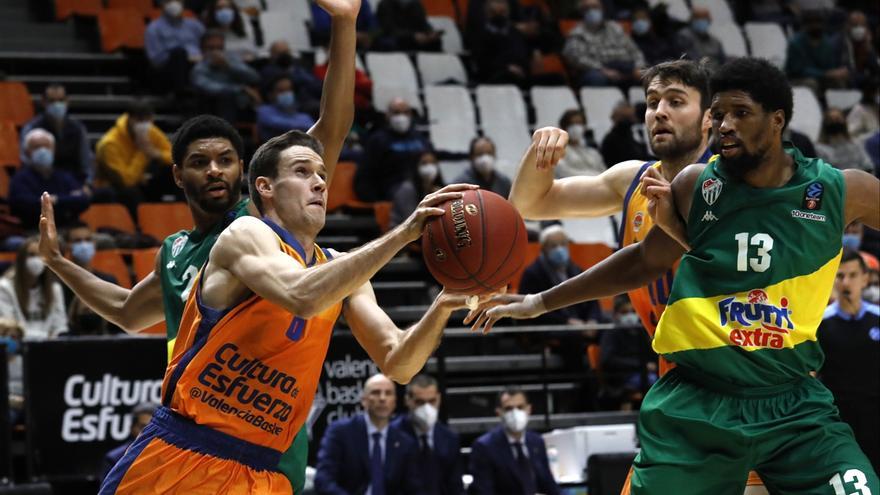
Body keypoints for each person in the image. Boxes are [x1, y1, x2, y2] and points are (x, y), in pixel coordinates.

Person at [479, 57, 880, 493]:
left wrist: (679, 231)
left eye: (676, 101)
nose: (726, 125)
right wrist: (538, 301)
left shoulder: (831, 189)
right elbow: (635, 258)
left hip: (786, 393)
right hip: (694, 393)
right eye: (652, 102)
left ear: (774, 120)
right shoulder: (679, 185)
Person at [39, 0, 360, 490]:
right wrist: (58, 262)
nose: (214, 170)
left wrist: (344, 23)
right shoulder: (175, 252)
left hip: (262, 420)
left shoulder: (259, 221)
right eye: (200, 162)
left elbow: (331, 128)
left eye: (226, 160)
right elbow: (126, 312)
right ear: (177, 175)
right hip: (194, 426)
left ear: (247, 173)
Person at [97, 130, 484, 494]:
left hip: (265, 472)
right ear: (265, 187)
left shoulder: (341, 270)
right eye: (302, 172)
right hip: (187, 453)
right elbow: (302, 294)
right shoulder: (245, 234)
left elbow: (399, 362)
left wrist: (443, 304)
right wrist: (403, 234)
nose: (319, 184)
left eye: (322, 175)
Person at [506, 58, 763, 493]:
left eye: (675, 101)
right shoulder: (633, 180)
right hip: (679, 386)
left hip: (748, 387)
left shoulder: (738, 185)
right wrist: (541, 152)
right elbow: (529, 204)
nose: (659, 111)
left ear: (709, 119)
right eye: (652, 101)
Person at [818, 249, 880, 472]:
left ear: (865, 278)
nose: (846, 282)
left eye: (853, 275)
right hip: (839, 420)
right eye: (840, 276)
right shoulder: (820, 323)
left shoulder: (877, 317)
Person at [315, 374, 425, 494]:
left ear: (394, 402)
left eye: (388, 393)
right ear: (364, 400)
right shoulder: (340, 432)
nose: (382, 398)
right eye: (376, 393)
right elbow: (323, 480)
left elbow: (413, 489)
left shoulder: (404, 442)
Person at [468, 386, 559, 495]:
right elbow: (484, 491)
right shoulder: (484, 447)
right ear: (499, 412)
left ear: (529, 409)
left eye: (520, 407)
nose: (515, 413)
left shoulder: (536, 442)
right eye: (508, 409)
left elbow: (549, 485)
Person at [390, 374, 463, 495]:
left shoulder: (450, 439)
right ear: (407, 400)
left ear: (439, 399)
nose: (427, 408)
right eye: (420, 402)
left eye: (432, 401)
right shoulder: (392, 435)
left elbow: (456, 487)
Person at [94, 100, 176, 206]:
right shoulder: (109, 143)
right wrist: (143, 151)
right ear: (130, 118)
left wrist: (157, 154)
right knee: (131, 193)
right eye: (140, 120)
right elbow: (126, 181)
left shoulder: (151, 131)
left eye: (148, 121)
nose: (144, 125)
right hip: (115, 188)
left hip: (140, 183)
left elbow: (174, 156)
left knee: (174, 171)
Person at [518, 224, 604, 326]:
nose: (560, 249)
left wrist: (592, 320)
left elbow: (592, 300)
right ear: (544, 249)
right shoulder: (533, 274)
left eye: (563, 244)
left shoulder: (576, 270)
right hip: (554, 326)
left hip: (582, 323)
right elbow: (532, 309)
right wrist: (566, 322)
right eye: (553, 246)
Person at [10, 129, 91, 231]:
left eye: (46, 146)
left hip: (67, 229)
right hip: (33, 230)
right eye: (37, 147)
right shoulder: (20, 179)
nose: (43, 151)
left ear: (53, 150)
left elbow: (83, 200)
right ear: (27, 152)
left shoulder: (64, 176)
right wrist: (64, 200)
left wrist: (55, 199)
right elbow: (23, 205)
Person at [354, 98, 430, 202]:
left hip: (421, 186)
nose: (401, 117)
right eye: (396, 112)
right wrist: (374, 200)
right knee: (407, 190)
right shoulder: (378, 140)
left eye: (405, 112)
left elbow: (432, 157)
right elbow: (366, 172)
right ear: (387, 115)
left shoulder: (419, 138)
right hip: (391, 190)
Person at [19, 84, 94, 182]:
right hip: (39, 182)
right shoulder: (31, 128)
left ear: (67, 101)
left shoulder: (78, 129)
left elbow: (86, 164)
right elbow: (25, 161)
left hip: (72, 184)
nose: (57, 105)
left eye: (61, 100)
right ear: (43, 102)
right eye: (52, 101)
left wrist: (87, 184)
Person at [562, 0, 645, 88]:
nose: (592, 11)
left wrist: (638, 67)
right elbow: (575, 58)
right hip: (599, 69)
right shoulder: (577, 32)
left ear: (602, 9)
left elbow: (635, 51)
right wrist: (602, 70)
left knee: (649, 75)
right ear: (582, 12)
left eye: (595, 7)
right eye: (587, 8)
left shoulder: (615, 27)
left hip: (626, 67)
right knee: (596, 78)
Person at [0, 237, 67, 340]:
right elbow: (10, 328)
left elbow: (60, 327)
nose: (37, 260)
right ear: (21, 259)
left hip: (51, 347)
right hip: (19, 346)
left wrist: (52, 338)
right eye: (31, 255)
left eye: (41, 255)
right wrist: (46, 337)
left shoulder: (55, 289)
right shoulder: (4, 287)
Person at [190, 30, 262, 124]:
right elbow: (211, 89)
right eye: (211, 48)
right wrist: (242, 89)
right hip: (213, 107)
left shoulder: (231, 60)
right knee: (226, 96)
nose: (216, 52)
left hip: (241, 103)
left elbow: (254, 77)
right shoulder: (199, 69)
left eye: (219, 48)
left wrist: (228, 66)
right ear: (202, 49)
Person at [599, 295, 657, 411]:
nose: (630, 316)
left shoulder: (642, 332)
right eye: (624, 312)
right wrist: (641, 365)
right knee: (652, 382)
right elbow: (608, 361)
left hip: (643, 373)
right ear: (616, 314)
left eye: (633, 311)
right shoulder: (611, 334)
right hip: (620, 377)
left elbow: (652, 354)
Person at [63, 222, 119, 336]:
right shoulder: (61, 282)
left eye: (88, 240)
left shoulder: (108, 281)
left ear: (94, 243)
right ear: (68, 245)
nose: (84, 245)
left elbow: (118, 323)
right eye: (77, 241)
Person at [145, 0, 206, 94]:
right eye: (169, 1)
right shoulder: (154, 28)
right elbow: (156, 59)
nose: (174, 4)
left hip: (198, 63)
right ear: (162, 4)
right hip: (170, 68)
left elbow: (209, 45)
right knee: (179, 54)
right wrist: (186, 57)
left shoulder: (195, 25)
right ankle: (182, 92)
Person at [470, 0, 535, 87]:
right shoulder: (480, 34)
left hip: (519, 76)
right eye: (494, 13)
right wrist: (506, 68)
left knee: (551, 79)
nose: (499, 17)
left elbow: (523, 56)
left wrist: (522, 68)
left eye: (502, 12)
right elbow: (482, 63)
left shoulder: (515, 33)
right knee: (507, 76)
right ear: (487, 13)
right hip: (493, 77)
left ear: (508, 13)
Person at [785, 9, 849, 93]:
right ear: (805, 26)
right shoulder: (795, 44)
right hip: (796, 79)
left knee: (838, 81)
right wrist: (825, 74)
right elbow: (798, 70)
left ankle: (840, 102)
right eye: (812, 23)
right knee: (812, 83)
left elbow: (830, 67)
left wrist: (837, 72)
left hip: (822, 77)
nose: (816, 26)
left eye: (818, 22)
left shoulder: (826, 43)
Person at [99, 403, 158, 482]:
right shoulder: (114, 459)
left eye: (152, 428)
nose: (148, 433)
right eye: (143, 427)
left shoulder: (167, 456)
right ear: (132, 428)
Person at [390, 150, 446, 229]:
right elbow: (411, 220)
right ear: (416, 166)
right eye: (424, 163)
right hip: (403, 231)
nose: (429, 167)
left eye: (433, 163)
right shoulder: (407, 189)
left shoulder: (437, 189)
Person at [256, 74, 316, 143]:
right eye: (281, 91)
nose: (286, 94)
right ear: (270, 94)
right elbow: (278, 124)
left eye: (289, 89)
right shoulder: (264, 111)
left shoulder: (303, 116)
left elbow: (312, 128)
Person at [374, 0, 442, 52]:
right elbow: (389, 30)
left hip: (417, 39)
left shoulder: (416, 4)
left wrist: (430, 33)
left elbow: (423, 23)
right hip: (399, 39)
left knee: (435, 42)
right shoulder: (385, 5)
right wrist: (413, 36)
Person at [555, 109, 605, 177]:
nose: (576, 127)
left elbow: (605, 172)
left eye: (579, 123)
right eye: (572, 124)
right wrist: (595, 176)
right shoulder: (558, 151)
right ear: (564, 127)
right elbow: (564, 172)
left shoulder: (593, 152)